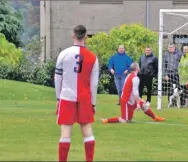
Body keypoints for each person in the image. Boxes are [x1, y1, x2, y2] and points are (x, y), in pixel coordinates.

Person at [54, 25, 99, 162]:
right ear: (86, 37)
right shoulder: (93, 57)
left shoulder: (64, 54)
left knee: (65, 132)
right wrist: (93, 103)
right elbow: (94, 83)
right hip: (85, 98)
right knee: (87, 130)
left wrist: (58, 98)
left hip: (66, 97)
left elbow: (57, 78)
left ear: (73, 36)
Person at [101, 62, 165, 124]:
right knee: (124, 121)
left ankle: (155, 117)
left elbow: (131, 91)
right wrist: (138, 103)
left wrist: (139, 100)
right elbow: (135, 92)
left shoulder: (129, 75)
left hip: (131, 99)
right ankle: (106, 120)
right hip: (126, 101)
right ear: (137, 68)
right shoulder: (135, 78)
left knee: (144, 105)